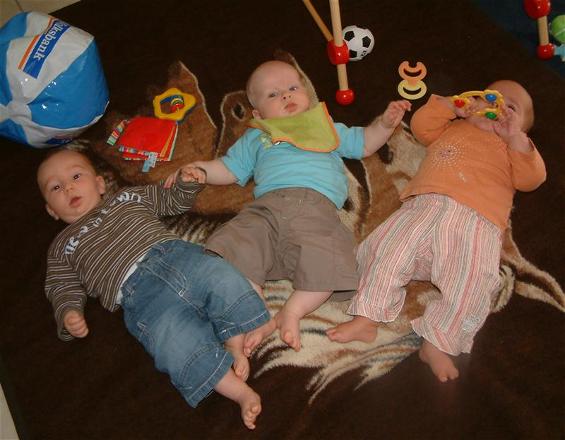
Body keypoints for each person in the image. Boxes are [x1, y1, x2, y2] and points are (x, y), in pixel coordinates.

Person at [165, 60, 411, 354]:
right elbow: (229, 168)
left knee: (332, 257)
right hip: (267, 209)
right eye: (273, 94)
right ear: (258, 115)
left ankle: (292, 311)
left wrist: (384, 124)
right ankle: (253, 308)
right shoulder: (257, 136)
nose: (285, 95)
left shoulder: (325, 127)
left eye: (293, 88)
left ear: (306, 94)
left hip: (316, 211)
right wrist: (200, 170)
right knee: (235, 242)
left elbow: (363, 144)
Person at [326, 80, 547, 382]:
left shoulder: (513, 151)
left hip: (476, 226)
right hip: (426, 206)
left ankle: (438, 342)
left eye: (511, 108)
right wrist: (451, 106)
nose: (498, 107)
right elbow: (421, 127)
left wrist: (516, 140)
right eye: (489, 98)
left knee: (475, 284)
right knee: (386, 249)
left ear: (523, 129)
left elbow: (532, 178)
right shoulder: (455, 128)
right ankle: (367, 316)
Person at [37, 149, 272, 430]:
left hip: (174, 255)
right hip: (138, 296)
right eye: (56, 187)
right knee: (173, 342)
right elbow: (60, 285)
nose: (68, 187)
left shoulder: (126, 197)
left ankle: (234, 341)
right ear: (51, 210)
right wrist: (68, 312)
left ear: (99, 184)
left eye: (76, 176)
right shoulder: (61, 247)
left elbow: (170, 200)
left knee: (219, 275)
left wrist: (186, 183)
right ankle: (240, 393)